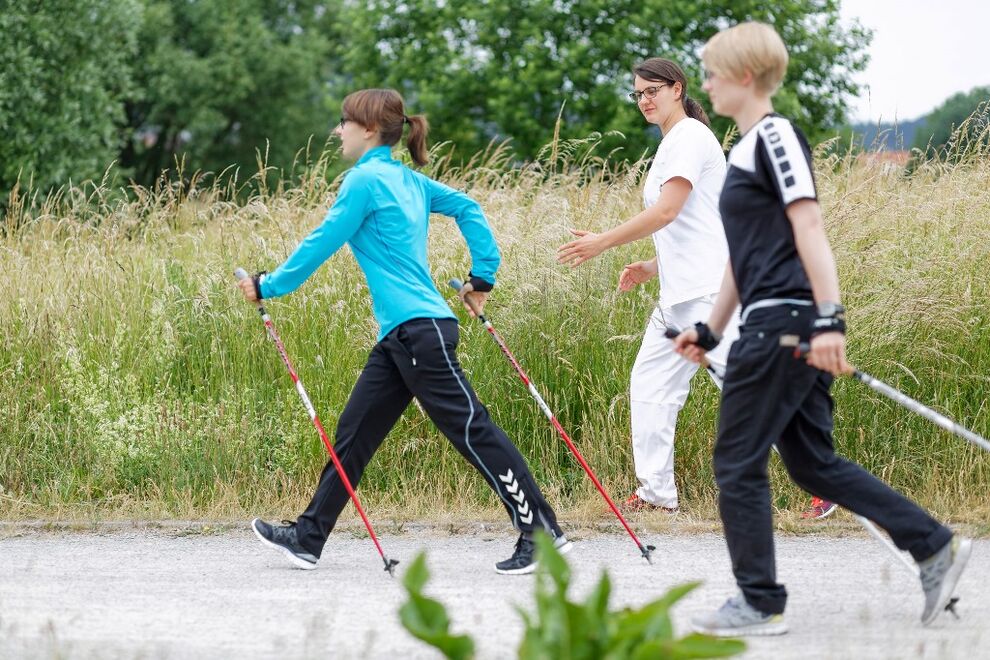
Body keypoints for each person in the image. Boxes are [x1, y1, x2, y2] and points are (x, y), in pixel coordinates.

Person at [673, 22, 970, 636]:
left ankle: (759, 603)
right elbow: (741, 257)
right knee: (811, 464)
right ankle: (933, 544)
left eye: (710, 73)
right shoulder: (742, 149)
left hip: (786, 323)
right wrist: (708, 329)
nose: (703, 85)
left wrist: (829, 320)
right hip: (767, 319)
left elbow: (809, 226)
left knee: (736, 461)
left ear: (745, 76)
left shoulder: (775, 136)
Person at [239, 88, 571, 575]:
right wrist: (483, 275)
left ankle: (541, 530)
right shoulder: (409, 182)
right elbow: (470, 209)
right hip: (403, 335)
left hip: (421, 333)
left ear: (369, 129)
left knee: (471, 430)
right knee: (352, 436)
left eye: (344, 122)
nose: (338, 131)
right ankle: (308, 538)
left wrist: (269, 284)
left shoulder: (364, 182)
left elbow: (322, 241)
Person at [557, 57, 740, 515]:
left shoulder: (691, 137)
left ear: (677, 88)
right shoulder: (673, 142)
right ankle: (657, 495)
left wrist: (601, 243)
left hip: (708, 295)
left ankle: (826, 485)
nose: (644, 100)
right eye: (638, 93)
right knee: (651, 386)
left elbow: (666, 212)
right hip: (677, 295)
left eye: (652, 90)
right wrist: (651, 265)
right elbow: (698, 224)